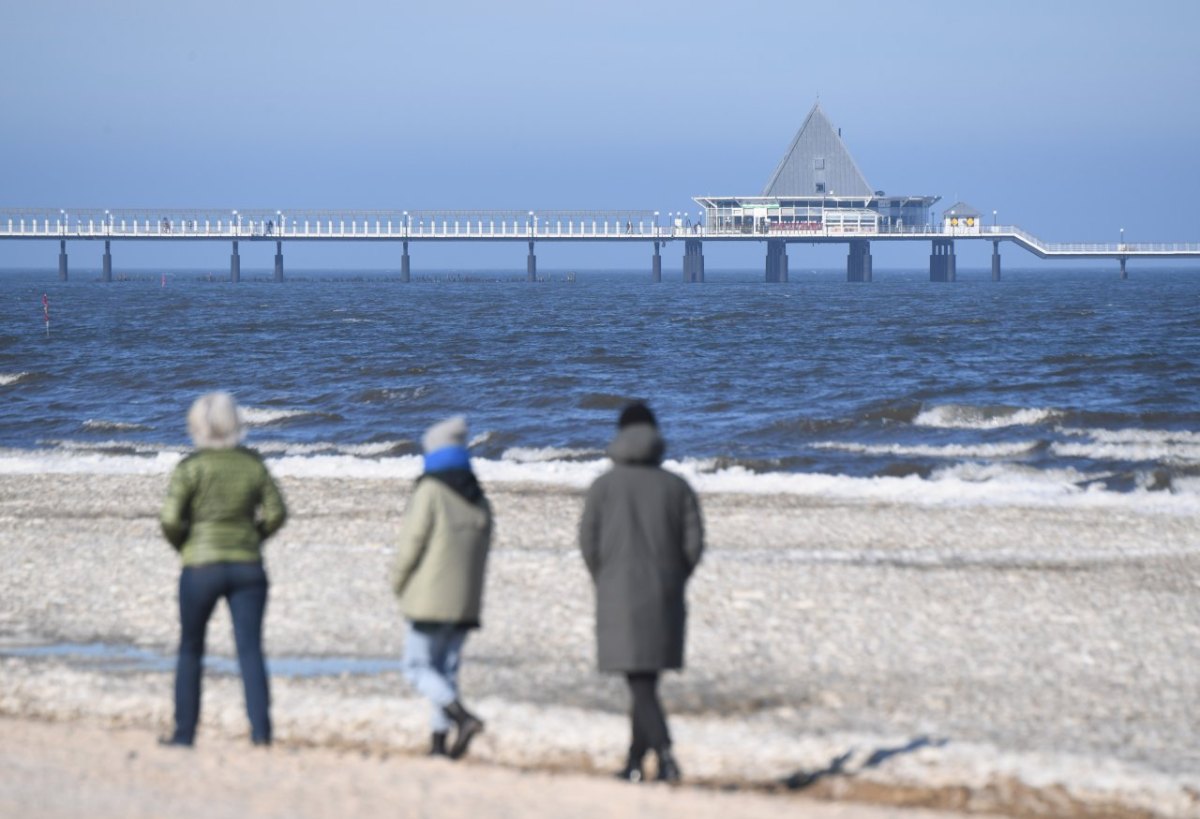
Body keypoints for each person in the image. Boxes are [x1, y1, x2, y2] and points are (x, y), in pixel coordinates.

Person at [579, 402, 704, 783]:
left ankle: (664, 754)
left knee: (639, 680)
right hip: (664, 593)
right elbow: (694, 544)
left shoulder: (603, 486)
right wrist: (674, 577)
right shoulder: (677, 486)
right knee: (644, 680)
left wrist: (606, 579)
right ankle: (636, 761)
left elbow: (588, 543)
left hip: (617, 592)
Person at [159, 392, 287, 747]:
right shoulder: (252, 464)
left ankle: (184, 735)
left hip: (200, 566)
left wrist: (185, 545)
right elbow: (276, 513)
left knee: (190, 648)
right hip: (247, 566)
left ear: (196, 425)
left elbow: (170, 520)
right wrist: (254, 539)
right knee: (250, 650)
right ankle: (261, 736)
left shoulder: (190, 468)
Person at [393, 415, 492, 759]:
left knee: (417, 667)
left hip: (429, 599)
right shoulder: (479, 496)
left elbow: (411, 543)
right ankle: (438, 746)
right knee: (446, 671)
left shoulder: (430, 490)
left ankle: (462, 718)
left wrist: (398, 581)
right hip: (465, 601)